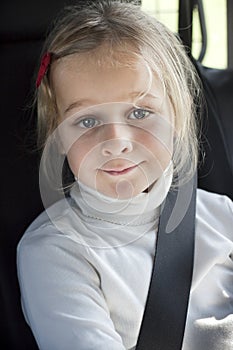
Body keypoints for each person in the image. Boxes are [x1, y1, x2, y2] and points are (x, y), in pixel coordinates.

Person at [17, 1, 233, 349]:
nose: (116, 142)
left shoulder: (221, 215)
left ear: (176, 118)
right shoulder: (54, 251)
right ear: (58, 139)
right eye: (87, 121)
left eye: (139, 112)